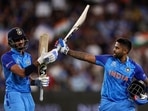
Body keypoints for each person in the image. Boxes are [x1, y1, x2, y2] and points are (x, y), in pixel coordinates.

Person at [56, 37, 148, 111]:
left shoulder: (134, 67)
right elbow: (86, 57)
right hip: (107, 104)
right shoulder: (108, 59)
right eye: (114, 47)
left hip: (125, 105)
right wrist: (67, 51)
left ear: (125, 51)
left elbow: (146, 82)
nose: (114, 50)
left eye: (117, 48)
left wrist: (145, 96)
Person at [1, 27, 58, 111]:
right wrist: (39, 61)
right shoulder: (6, 57)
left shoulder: (28, 56)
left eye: (22, 39)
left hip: (27, 94)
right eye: (17, 40)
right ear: (11, 42)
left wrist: (36, 82)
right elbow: (22, 73)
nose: (21, 42)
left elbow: (26, 78)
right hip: (14, 94)